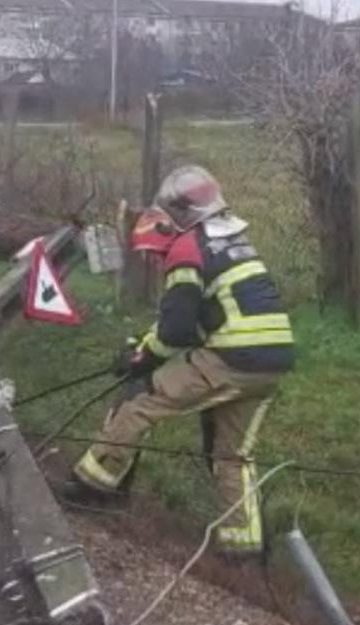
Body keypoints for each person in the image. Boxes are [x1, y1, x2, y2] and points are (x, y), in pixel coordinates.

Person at [64, 165, 295, 554]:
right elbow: (201, 319)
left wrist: (143, 361)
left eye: (154, 255)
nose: (155, 262)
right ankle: (244, 550)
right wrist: (147, 344)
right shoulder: (233, 241)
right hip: (271, 360)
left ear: (172, 222)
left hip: (231, 357)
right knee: (233, 456)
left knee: (140, 399)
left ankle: (93, 488)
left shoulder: (185, 250)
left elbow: (177, 331)